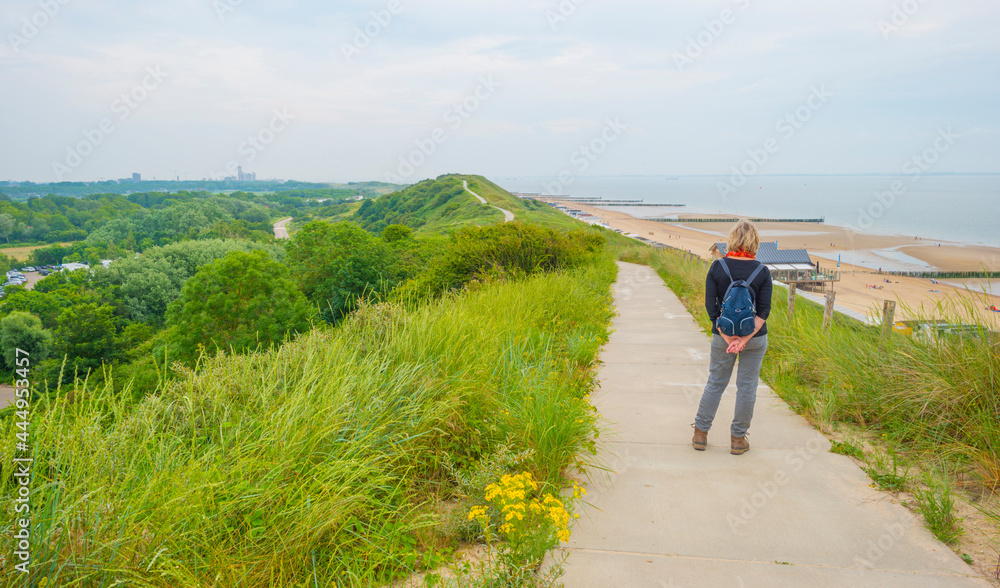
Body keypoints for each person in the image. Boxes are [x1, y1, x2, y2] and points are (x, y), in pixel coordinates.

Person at [692, 220, 772, 455]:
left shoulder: (718, 267)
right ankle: (738, 439)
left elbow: (711, 307)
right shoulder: (762, 271)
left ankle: (700, 434)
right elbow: (764, 312)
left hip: (722, 335)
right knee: (747, 388)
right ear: (754, 241)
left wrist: (727, 337)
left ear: (732, 239)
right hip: (755, 339)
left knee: (715, 383)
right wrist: (744, 340)